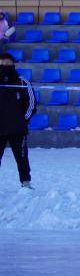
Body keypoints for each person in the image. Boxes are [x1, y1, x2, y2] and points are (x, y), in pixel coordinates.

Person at [0, 51, 36, 189]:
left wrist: (22, 121)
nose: (4, 64)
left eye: (7, 62)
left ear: (13, 63)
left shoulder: (22, 82)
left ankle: (25, 182)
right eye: (1, 62)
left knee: (21, 157)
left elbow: (31, 104)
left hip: (18, 129)